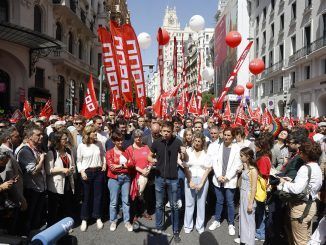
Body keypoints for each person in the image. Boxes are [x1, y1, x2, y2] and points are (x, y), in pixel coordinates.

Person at [278, 141, 323, 245]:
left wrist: (283, 183)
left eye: (301, 152)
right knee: (306, 238)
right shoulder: (317, 167)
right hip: (311, 205)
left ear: (306, 154)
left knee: (300, 242)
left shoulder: (305, 168)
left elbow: (296, 189)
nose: (299, 153)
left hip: (301, 207)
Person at [148, 121, 185, 243]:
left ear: (172, 131)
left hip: (173, 179)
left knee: (174, 206)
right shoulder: (157, 142)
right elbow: (149, 155)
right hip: (159, 178)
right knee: (159, 205)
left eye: (168, 131)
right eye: (164, 131)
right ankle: (159, 228)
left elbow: (185, 158)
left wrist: (184, 153)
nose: (166, 133)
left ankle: (175, 231)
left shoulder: (178, 141)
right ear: (161, 130)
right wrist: (152, 160)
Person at [209, 127, 242, 236]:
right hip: (218, 179)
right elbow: (215, 162)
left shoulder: (237, 148)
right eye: (225, 135)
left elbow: (237, 165)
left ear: (232, 136)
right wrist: (219, 176)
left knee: (230, 202)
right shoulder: (218, 146)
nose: (226, 137)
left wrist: (227, 177)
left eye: (229, 135)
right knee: (219, 200)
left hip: (230, 180)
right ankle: (217, 220)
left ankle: (231, 223)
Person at [16, 125, 47, 235]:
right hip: (31, 190)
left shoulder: (37, 148)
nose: (41, 136)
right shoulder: (25, 151)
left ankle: (35, 236)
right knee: (29, 217)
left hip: (40, 187)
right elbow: (34, 171)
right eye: (38, 135)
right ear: (29, 136)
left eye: (42, 134)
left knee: (36, 216)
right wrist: (42, 159)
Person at [76, 125, 106, 232]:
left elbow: (103, 155)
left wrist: (104, 164)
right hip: (87, 173)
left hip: (98, 172)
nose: (96, 133)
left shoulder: (99, 144)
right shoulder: (81, 146)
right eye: (93, 132)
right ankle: (84, 219)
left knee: (98, 196)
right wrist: (82, 171)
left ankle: (97, 217)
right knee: (86, 197)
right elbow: (78, 161)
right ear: (88, 134)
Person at [183, 132, 211, 234]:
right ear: (193, 141)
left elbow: (208, 169)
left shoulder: (206, 154)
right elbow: (186, 167)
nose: (197, 143)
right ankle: (188, 225)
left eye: (199, 141)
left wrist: (201, 183)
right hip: (190, 179)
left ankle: (200, 226)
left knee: (201, 204)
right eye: (195, 141)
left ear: (202, 142)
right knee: (189, 204)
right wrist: (190, 181)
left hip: (202, 180)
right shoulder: (188, 152)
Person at [45, 131, 75, 226]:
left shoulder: (68, 151)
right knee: (54, 208)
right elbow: (49, 170)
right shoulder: (52, 152)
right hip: (55, 185)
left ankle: (64, 226)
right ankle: (52, 227)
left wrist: (71, 169)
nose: (66, 140)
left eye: (67, 138)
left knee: (66, 205)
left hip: (67, 182)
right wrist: (62, 170)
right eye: (64, 139)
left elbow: (73, 165)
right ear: (58, 140)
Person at [106, 130, 134, 232]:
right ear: (113, 141)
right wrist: (124, 166)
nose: (120, 142)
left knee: (126, 201)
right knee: (113, 202)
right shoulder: (109, 152)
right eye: (118, 141)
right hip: (114, 179)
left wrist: (120, 165)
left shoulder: (126, 151)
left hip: (126, 178)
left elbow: (131, 165)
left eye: (121, 140)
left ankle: (127, 221)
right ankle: (113, 220)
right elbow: (112, 168)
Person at [126, 129, 152, 221]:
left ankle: (144, 211)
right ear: (133, 137)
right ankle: (134, 214)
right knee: (135, 195)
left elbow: (151, 159)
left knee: (145, 195)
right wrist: (141, 170)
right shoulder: (129, 149)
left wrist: (148, 169)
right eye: (136, 136)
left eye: (140, 136)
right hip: (135, 175)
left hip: (146, 175)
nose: (138, 138)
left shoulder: (146, 147)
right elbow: (129, 163)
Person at [234, 147, 258, 245]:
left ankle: (250, 242)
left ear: (247, 157)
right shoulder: (246, 166)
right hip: (243, 194)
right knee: (243, 219)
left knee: (249, 220)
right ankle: (244, 239)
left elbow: (254, 188)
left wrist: (250, 203)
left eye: (241, 156)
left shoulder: (253, 170)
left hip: (248, 196)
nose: (240, 157)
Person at [254, 136, 272, 241]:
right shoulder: (265, 156)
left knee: (261, 211)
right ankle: (260, 231)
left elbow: (263, 174)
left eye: (256, 145)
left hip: (261, 188)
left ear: (260, 147)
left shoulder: (263, 158)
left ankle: (260, 233)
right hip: (262, 187)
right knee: (261, 211)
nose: (255, 147)